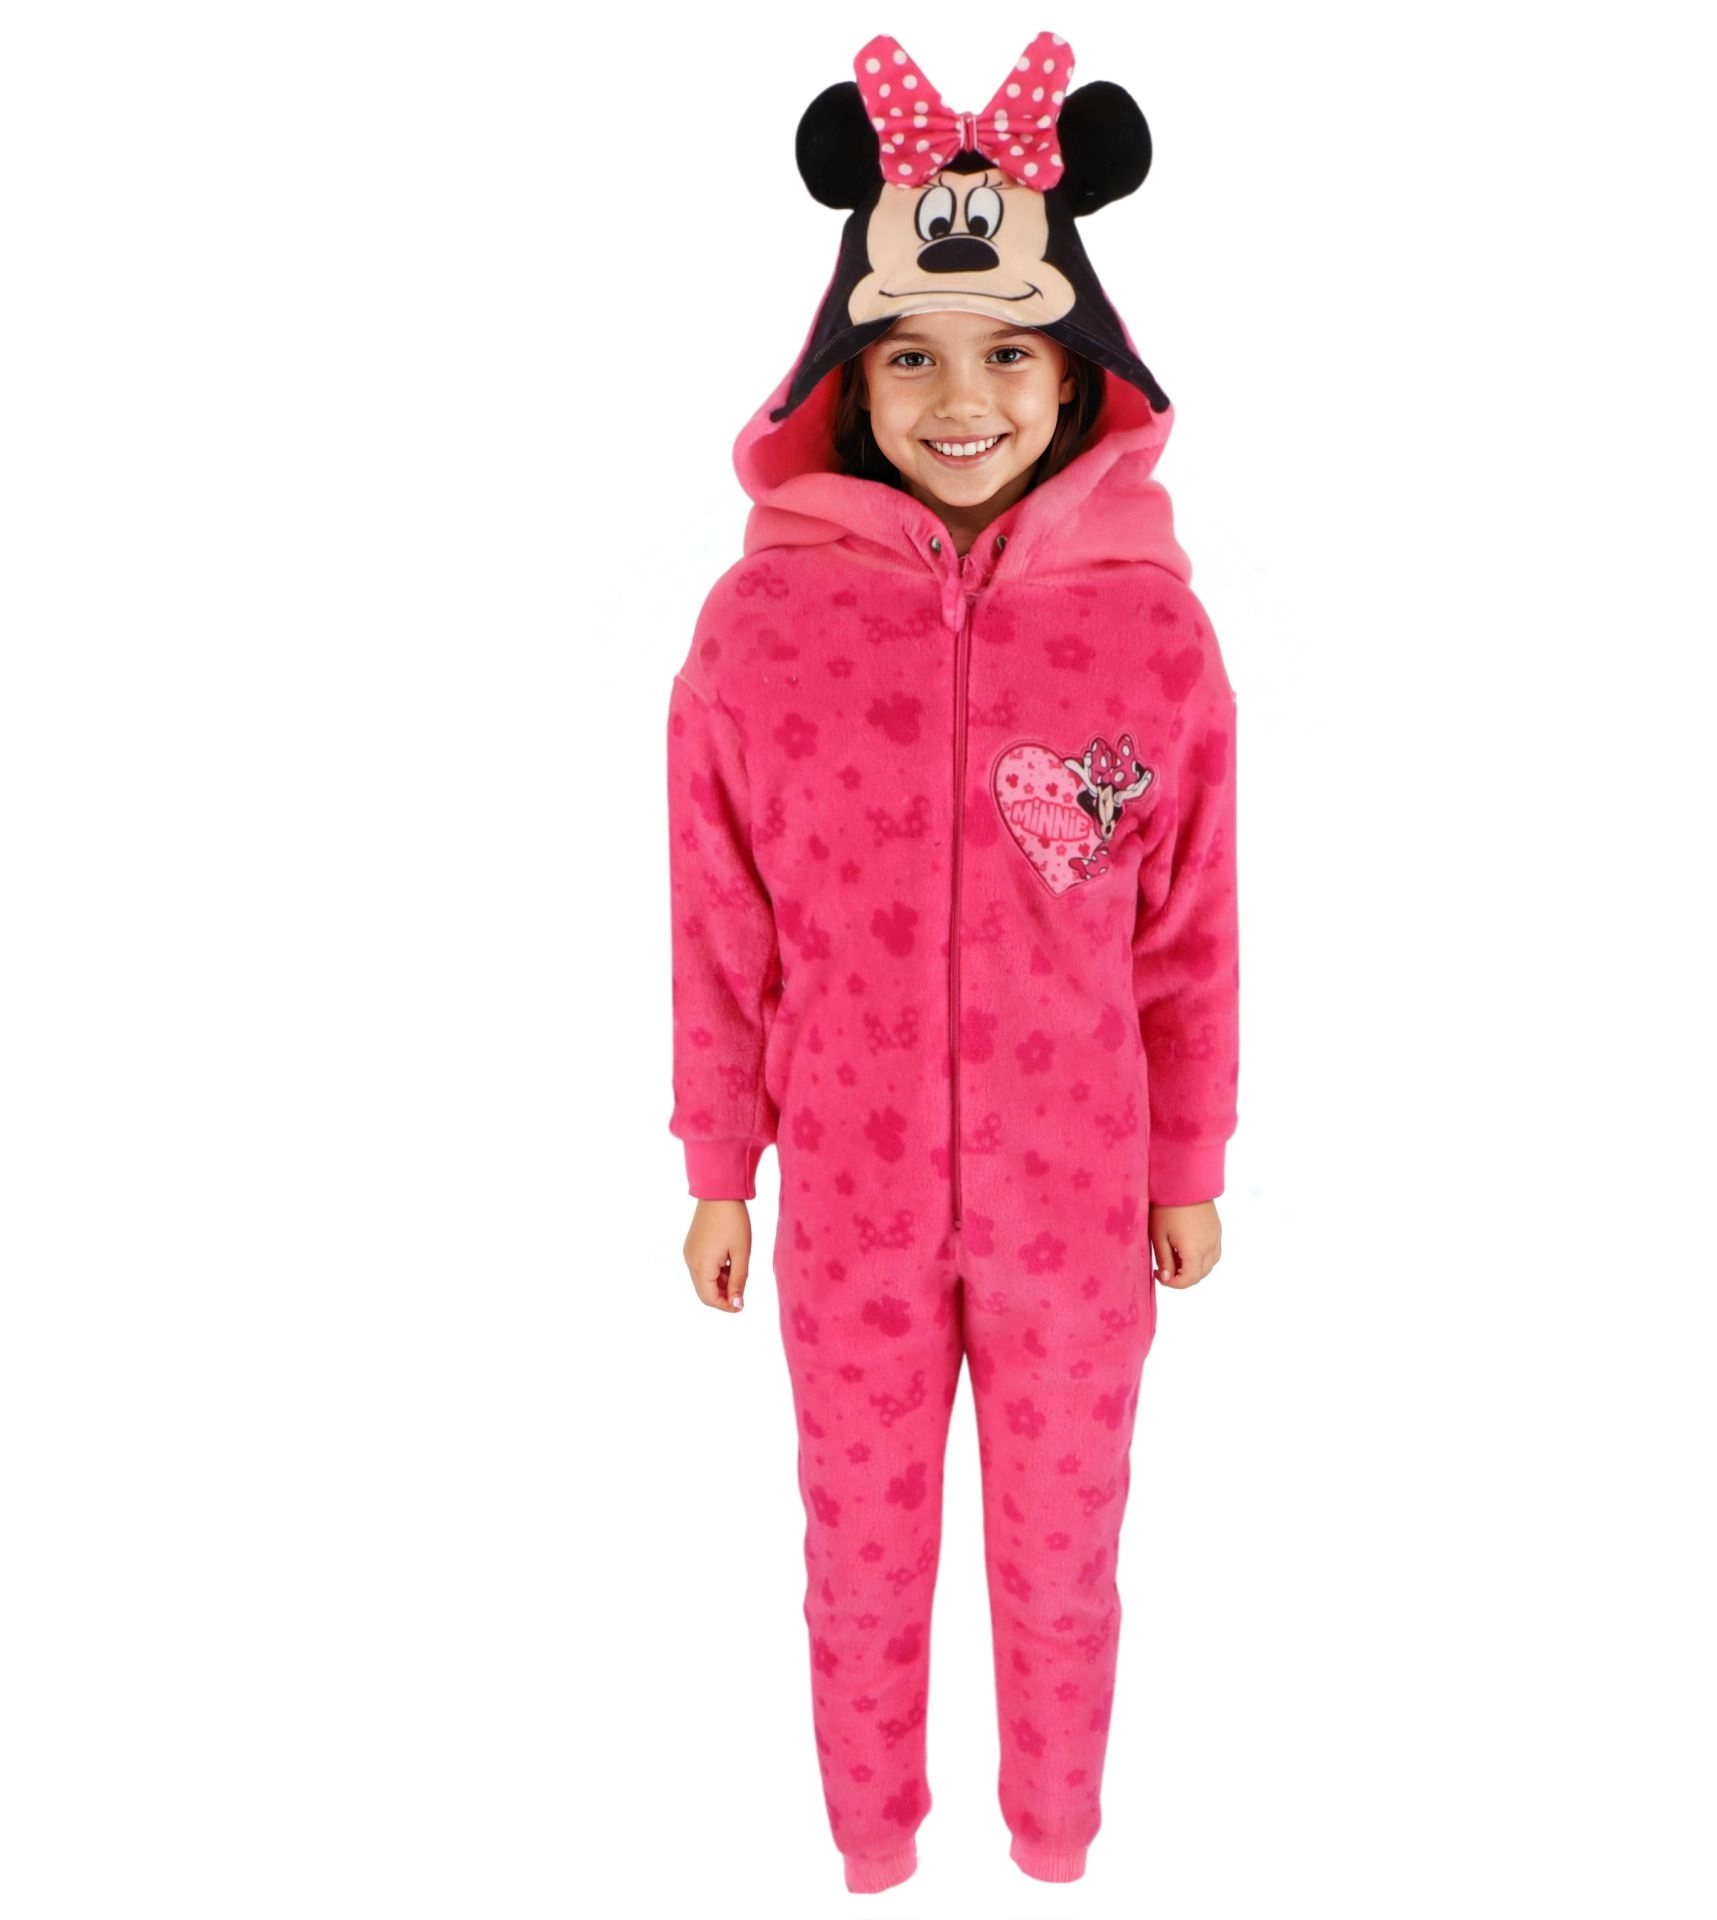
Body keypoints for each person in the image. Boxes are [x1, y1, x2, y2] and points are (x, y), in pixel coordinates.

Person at [665, 31, 1239, 1895]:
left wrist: (1187, 1163)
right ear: (846, 375)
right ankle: (874, 1854)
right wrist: (719, 1162)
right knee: (860, 1548)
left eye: (1007, 353)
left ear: (1076, 377)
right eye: (909, 353)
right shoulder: (758, 628)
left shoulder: (1155, 637)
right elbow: (718, 919)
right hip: (848, 1191)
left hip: (1079, 1198)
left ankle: (1055, 1848)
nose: (961, 394)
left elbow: (1194, 932)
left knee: (1066, 1552)